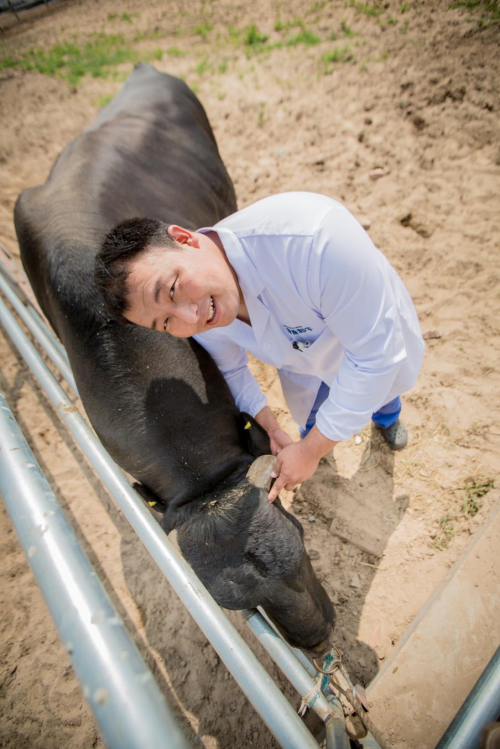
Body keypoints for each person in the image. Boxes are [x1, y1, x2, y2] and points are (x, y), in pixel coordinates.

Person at [95, 192, 425, 502]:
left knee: (381, 392)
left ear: (184, 238)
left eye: (171, 290)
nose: (188, 316)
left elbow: (373, 358)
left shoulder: (316, 242)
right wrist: (269, 425)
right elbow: (232, 368)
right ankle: (319, 435)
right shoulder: (203, 307)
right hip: (303, 363)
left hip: (363, 346)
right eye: (165, 323)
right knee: (315, 410)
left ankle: (388, 419)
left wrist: (310, 451)